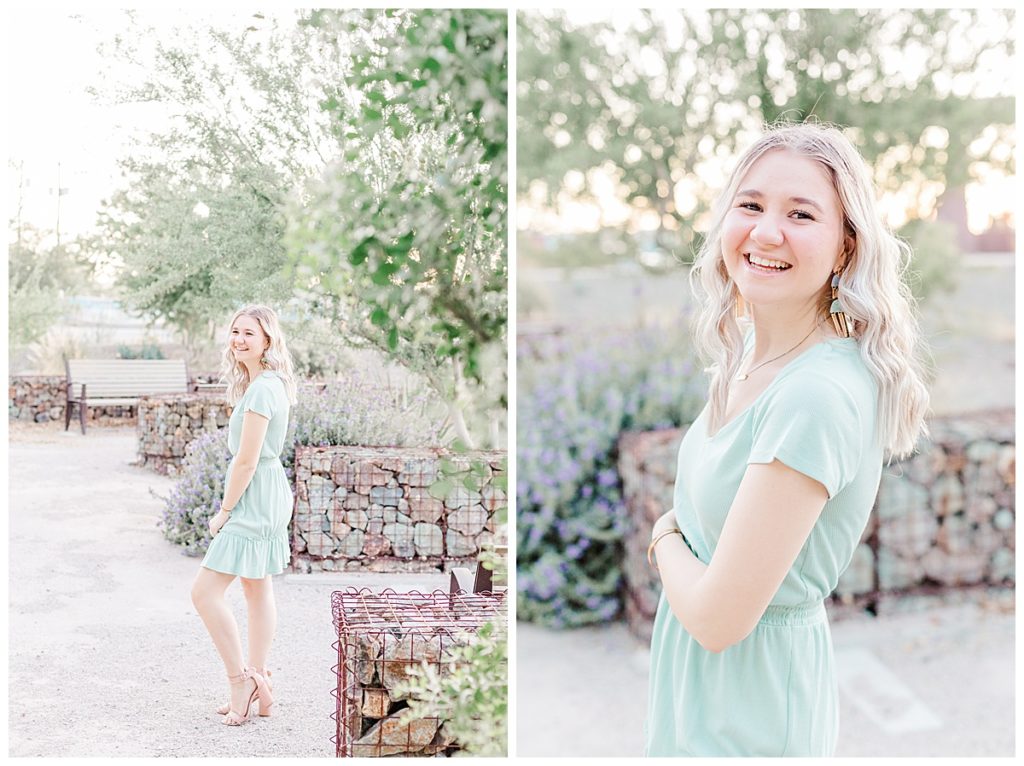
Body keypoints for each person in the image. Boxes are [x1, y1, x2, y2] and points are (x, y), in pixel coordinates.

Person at [644, 122, 930, 756]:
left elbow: (720, 620)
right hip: (699, 703)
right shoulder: (749, 349)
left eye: (801, 214)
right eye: (751, 205)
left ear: (847, 247)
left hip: (754, 715)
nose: (766, 232)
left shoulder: (815, 395)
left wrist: (663, 539)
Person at [190, 304, 299, 726]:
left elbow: (246, 462)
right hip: (271, 491)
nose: (239, 339)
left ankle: (241, 680)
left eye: (249, 333)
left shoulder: (261, 391)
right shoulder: (270, 384)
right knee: (257, 588)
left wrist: (224, 511)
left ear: (267, 340)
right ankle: (260, 681)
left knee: (204, 593)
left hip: (255, 496)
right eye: (235, 331)